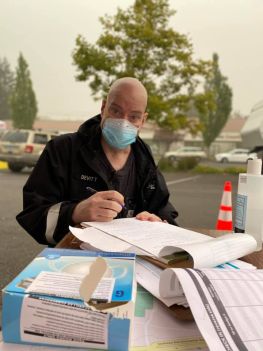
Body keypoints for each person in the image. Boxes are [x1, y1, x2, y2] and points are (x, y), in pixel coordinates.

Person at [17, 77, 178, 245]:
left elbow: (164, 210)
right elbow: (33, 216)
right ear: (103, 108)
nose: (123, 122)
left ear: (143, 121)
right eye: (116, 111)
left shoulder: (145, 160)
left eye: (134, 117)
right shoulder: (62, 149)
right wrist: (75, 212)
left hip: (132, 263)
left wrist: (158, 223)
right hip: (74, 261)